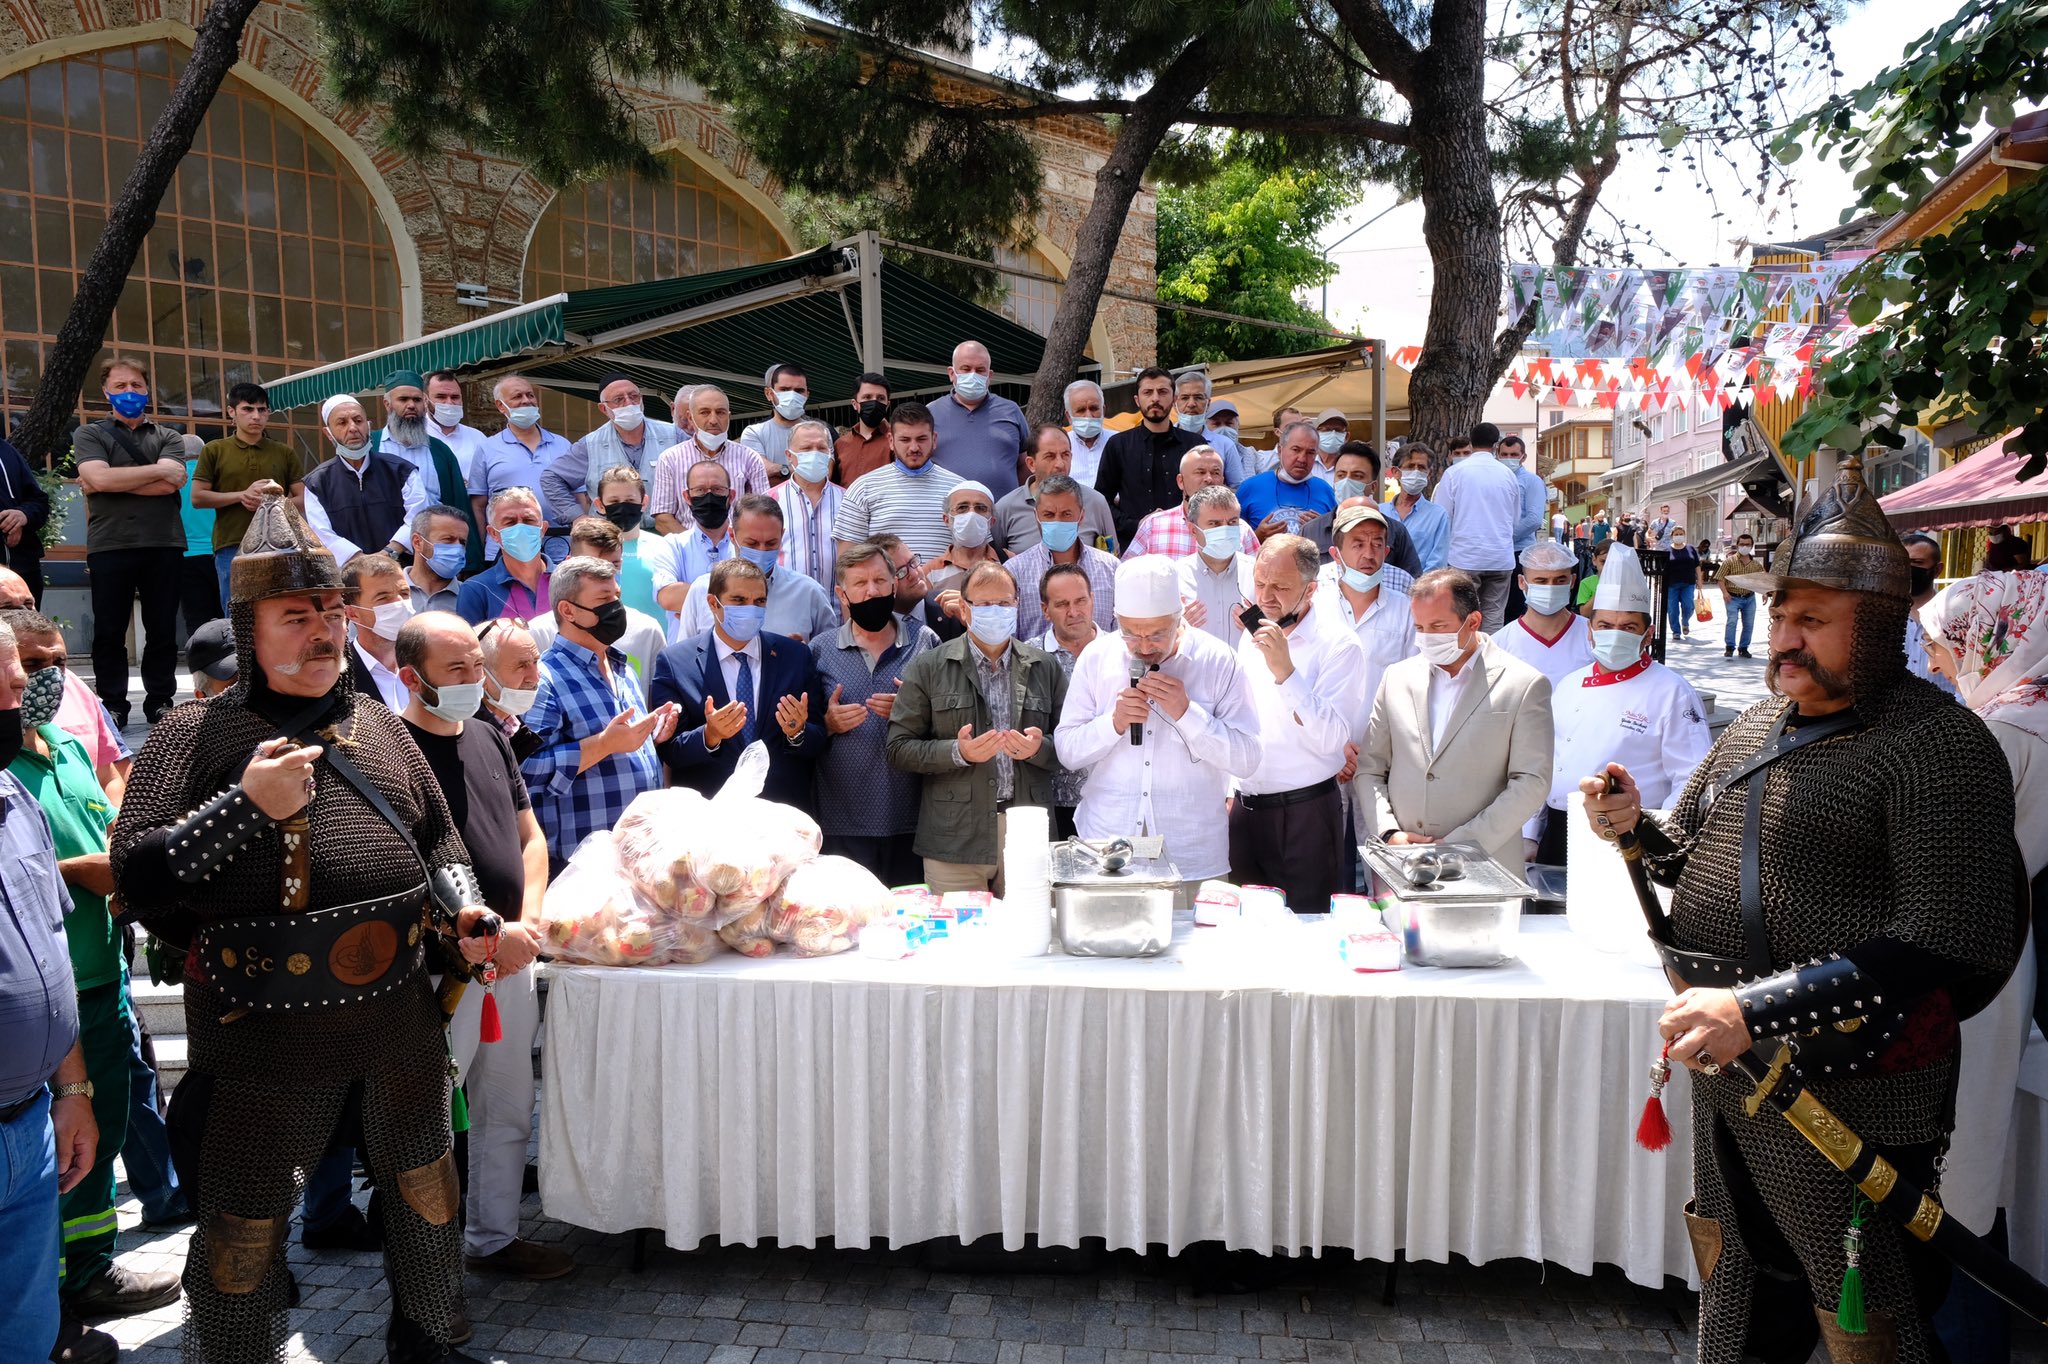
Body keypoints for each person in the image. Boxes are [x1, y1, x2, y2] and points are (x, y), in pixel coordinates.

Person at [1579, 458, 2024, 1362]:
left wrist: (1753, 1010)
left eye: (1811, 619)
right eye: (1780, 614)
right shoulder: (1756, 726)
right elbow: (1690, 859)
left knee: (1866, 1301)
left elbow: (1948, 937)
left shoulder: (1939, 747)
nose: (1783, 635)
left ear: (1877, 627)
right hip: (1731, 1071)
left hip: (1851, 1078)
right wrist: (1632, 830)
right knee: (1744, 1283)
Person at [107, 496, 497, 1364]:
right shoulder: (193, 734)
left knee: (425, 1188)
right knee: (244, 1224)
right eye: (297, 616)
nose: (322, 631)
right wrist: (245, 809)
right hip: (263, 1027)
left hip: (396, 1011)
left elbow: (437, 838)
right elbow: (138, 878)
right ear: (250, 627)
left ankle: (428, 1340)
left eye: (329, 612)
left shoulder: (379, 723)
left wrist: (464, 910)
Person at [2, 611, 181, 1332]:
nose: (45, 680)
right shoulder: (5, 769)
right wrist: (91, 871)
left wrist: (119, 857)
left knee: (95, 1131)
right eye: (28, 668)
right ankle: (59, 1283)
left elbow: (112, 818)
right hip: (58, 984)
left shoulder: (67, 749)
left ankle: (85, 1266)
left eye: (53, 663)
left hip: (98, 975)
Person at [394, 612, 569, 1283]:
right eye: (456, 670)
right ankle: (424, 1275)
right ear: (412, 678)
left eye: (476, 665)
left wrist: (526, 923)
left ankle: (493, 1239)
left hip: (512, 961)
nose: (474, 680)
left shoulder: (491, 738)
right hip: (443, 974)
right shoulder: (392, 751)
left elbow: (530, 839)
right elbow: (401, 864)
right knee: (428, 1122)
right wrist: (476, 936)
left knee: (506, 1103)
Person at [1915, 571, 2047, 1361]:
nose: (1934, 664)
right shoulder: (2031, 712)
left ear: (1985, 638)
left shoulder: (2003, 732)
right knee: (1973, 1162)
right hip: (2008, 944)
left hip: (1973, 958)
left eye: (1939, 645)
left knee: (1956, 1168)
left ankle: (1963, 1343)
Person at [0, 614, 114, 1364]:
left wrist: (72, 1090)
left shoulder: (17, 797)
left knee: (27, 1330)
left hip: (34, 1122)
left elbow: (47, 951)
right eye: (7, 674)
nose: (27, 686)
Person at [1053, 555, 1262, 888]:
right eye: (1132, 635)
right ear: (1117, 619)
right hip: (1106, 850)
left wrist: (1187, 713)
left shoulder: (1218, 660)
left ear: (1180, 617)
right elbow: (1067, 751)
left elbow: (1247, 758)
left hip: (1192, 857)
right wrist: (1114, 723)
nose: (1144, 647)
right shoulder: (1096, 657)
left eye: (1156, 635)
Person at [1354, 567, 1552, 875]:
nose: (1427, 638)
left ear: (1472, 621)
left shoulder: (1523, 684)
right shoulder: (1397, 677)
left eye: (1438, 626)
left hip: (1486, 867)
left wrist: (1460, 844)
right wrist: (1389, 832)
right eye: (1420, 627)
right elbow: (1370, 768)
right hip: (1401, 863)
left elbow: (1531, 782)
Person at [887, 563, 1065, 893]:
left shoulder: (1045, 666)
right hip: (955, 838)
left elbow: (1070, 745)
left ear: (1017, 605)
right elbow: (898, 748)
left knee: (1031, 938)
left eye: (1003, 603)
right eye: (983, 605)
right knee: (960, 941)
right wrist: (957, 752)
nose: (994, 612)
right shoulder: (930, 665)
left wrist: (1039, 748)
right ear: (965, 609)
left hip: (1027, 833)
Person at [1538, 543, 1708, 865]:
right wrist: (1531, 833)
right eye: (1605, 626)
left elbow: (1691, 779)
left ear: (1648, 635)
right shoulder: (1569, 685)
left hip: (1627, 837)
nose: (1615, 634)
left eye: (1629, 627)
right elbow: (1547, 759)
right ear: (1590, 631)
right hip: (1557, 831)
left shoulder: (1672, 691)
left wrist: (1659, 844)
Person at [1228, 536, 1368, 911]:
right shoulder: (1251, 636)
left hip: (1305, 814)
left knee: (1307, 933)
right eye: (1260, 584)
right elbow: (1240, 713)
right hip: (1245, 809)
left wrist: (1286, 672)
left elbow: (1333, 739)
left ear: (1311, 589)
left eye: (1280, 586)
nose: (1266, 596)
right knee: (1245, 932)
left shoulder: (1340, 645)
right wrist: (1230, 787)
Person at [520, 556, 680, 874]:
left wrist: (650, 734)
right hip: (581, 865)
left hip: (640, 855)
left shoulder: (621, 667)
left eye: (617, 597)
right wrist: (605, 743)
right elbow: (525, 769)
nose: (616, 609)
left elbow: (624, 745)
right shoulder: (544, 680)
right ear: (568, 611)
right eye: (604, 600)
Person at [810, 541, 940, 887]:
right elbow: (800, 735)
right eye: (860, 584)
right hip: (841, 824)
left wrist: (912, 715)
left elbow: (950, 724)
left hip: (914, 822)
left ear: (894, 584)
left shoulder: (925, 641)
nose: (872, 591)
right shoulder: (820, 650)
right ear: (842, 594)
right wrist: (828, 724)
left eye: (880, 581)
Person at [71, 356, 189, 727]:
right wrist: (155, 473)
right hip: (109, 544)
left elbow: (173, 483)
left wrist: (110, 478)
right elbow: (99, 479)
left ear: (147, 390)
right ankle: (113, 703)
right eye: (120, 386)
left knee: (163, 629)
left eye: (136, 385)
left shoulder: (168, 435)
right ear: (106, 392)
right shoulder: (89, 434)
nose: (129, 392)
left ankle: (160, 700)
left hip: (163, 543)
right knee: (109, 630)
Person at [651, 558, 824, 810]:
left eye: (759, 601)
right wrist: (709, 736)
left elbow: (819, 739)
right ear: (713, 603)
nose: (751, 609)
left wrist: (797, 732)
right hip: (709, 811)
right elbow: (668, 749)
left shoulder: (795, 657)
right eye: (739, 600)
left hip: (781, 813)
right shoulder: (676, 662)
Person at [2, 578, 130, 801]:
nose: (50, 675)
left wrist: (116, 833)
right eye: (7, 609)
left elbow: (111, 776)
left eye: (28, 605)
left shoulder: (67, 740)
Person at [667, 495, 838, 647]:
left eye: (771, 543)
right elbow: (685, 660)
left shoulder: (809, 593)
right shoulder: (702, 590)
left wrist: (802, 655)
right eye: (752, 543)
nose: (762, 551)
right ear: (732, 536)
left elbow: (829, 661)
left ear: (782, 535)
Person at [191, 382, 305, 610]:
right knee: (237, 615)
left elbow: (303, 499)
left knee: (281, 611)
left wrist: (272, 504)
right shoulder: (214, 449)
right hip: (232, 544)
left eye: (262, 410)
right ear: (231, 412)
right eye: (248, 409)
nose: (256, 416)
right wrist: (241, 496)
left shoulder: (284, 452)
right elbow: (198, 497)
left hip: (280, 545)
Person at [524, 517, 669, 681]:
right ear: (569, 564)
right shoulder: (540, 633)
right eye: (595, 565)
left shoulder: (648, 631)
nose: (607, 573)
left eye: (614, 565)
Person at [372, 370, 484, 576]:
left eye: (416, 399)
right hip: (383, 553)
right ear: (387, 404)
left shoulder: (440, 451)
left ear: (425, 403)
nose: (411, 406)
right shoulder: (371, 446)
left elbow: (459, 506)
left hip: (436, 556)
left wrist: (470, 563)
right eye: (403, 399)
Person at [302, 393, 425, 568]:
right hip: (351, 578)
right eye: (342, 423)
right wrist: (362, 562)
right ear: (328, 433)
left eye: (358, 421)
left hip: (403, 570)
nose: (352, 428)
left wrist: (388, 553)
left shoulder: (401, 471)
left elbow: (418, 518)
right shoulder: (317, 483)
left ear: (368, 426)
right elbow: (322, 534)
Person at [834, 402, 965, 563]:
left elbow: (976, 552)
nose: (914, 447)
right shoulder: (862, 489)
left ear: (934, 439)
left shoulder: (960, 490)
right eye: (905, 440)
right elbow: (847, 561)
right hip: (885, 588)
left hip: (948, 588)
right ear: (890, 440)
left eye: (921, 439)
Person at [467, 375, 576, 561]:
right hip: (507, 550)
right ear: (501, 406)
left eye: (530, 395)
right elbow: (478, 505)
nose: (526, 401)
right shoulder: (487, 448)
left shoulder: (562, 445)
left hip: (560, 547)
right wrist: (480, 550)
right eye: (517, 397)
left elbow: (579, 496)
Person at [543, 374, 679, 518]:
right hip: (610, 535)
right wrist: (577, 517)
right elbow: (551, 478)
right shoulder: (590, 445)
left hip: (664, 533)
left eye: (634, 396)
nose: (628, 403)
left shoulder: (674, 435)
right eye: (618, 399)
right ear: (603, 408)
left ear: (642, 399)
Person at [1034, 562, 1103, 839]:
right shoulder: (1029, 658)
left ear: (1093, 599)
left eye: (1080, 601)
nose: (1074, 612)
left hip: (1109, 801)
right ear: (1045, 610)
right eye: (1062, 604)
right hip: (1051, 803)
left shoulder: (1121, 651)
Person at [1431, 423, 1521, 633]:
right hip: (1500, 556)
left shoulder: (1455, 473)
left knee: (1464, 616)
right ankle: (1490, 662)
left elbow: (1442, 516)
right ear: (1496, 444)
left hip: (1465, 556)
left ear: (1471, 443)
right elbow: (1515, 520)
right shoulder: (1508, 475)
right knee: (1494, 617)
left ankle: (1465, 660)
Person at [1097, 368, 1203, 544]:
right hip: (1134, 545)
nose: (1155, 398)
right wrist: (1136, 525)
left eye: (1162, 392)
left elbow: (1207, 495)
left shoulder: (1194, 445)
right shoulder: (1118, 445)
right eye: (1148, 392)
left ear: (1174, 399)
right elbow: (1102, 501)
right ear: (1137, 400)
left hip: (1186, 541)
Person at [1007, 476, 1119, 641]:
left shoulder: (1111, 569)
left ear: (1081, 516)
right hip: (1036, 666)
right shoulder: (1014, 572)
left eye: (1066, 514)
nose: (1057, 521)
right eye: (1049, 514)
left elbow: (1121, 636)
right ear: (1036, 515)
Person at [649, 385, 771, 533]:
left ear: (728, 416)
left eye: (720, 412)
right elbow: (663, 518)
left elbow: (763, 511)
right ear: (690, 418)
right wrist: (696, 548)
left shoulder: (750, 457)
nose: (713, 420)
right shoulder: (670, 459)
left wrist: (734, 548)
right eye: (704, 412)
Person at [992, 424, 1119, 554]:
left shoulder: (1095, 502)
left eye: (1065, 455)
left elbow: (1112, 557)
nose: (1060, 464)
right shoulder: (1006, 508)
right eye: (1050, 456)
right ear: (1031, 463)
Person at [929, 340, 1029, 497]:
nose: (973, 375)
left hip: (1003, 515)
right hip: (947, 517)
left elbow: (1024, 463)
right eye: (966, 369)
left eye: (980, 370)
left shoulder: (1011, 411)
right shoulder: (931, 414)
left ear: (990, 376)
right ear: (951, 373)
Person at [1123, 447, 1260, 561]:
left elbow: (1257, 579)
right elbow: (1127, 575)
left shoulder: (1241, 530)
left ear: (1223, 480)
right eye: (1200, 472)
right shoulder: (1154, 526)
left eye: (1215, 473)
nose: (1208, 479)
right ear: (1180, 481)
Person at [651, 459, 739, 632]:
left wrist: (693, 609)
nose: (709, 496)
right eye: (699, 490)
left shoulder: (744, 545)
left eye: (717, 489)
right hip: (684, 654)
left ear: (731, 495)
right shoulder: (672, 545)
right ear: (687, 497)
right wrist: (735, 600)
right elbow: (668, 596)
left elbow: (757, 596)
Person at [1493, 540, 1593, 685]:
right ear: (1522, 582)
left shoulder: (1592, 636)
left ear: (1572, 581)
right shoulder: (1500, 644)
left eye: (1560, 580)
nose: (1551, 588)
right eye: (1541, 581)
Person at [455, 487, 552, 625]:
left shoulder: (568, 580)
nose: (520, 528)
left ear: (543, 529)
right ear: (493, 533)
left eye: (528, 520)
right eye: (510, 522)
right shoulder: (476, 590)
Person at [1176, 485, 1257, 646]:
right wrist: (1176, 628)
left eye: (1232, 522)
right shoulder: (1175, 577)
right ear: (1193, 530)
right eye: (1215, 524)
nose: (1225, 530)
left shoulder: (1258, 574)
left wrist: (1258, 626)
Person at [1236, 422, 1337, 544]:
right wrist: (1257, 536)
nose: (1302, 459)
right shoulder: (1250, 488)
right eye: (1296, 450)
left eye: (1310, 452)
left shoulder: (1326, 491)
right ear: (1280, 450)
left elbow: (1338, 544)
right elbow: (1234, 544)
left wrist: (1322, 532)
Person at [773, 420, 844, 591]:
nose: (815, 454)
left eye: (821, 448)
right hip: (788, 610)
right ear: (789, 455)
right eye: (806, 449)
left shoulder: (848, 499)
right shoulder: (770, 501)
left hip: (838, 610)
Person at [341, 552, 415, 711]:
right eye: (383, 598)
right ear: (352, 613)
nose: (400, 603)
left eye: (404, 594)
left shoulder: (427, 664)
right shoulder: (340, 679)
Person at [1900, 532, 1959, 697]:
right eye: (1902, 563)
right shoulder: (1883, 617)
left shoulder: (1955, 615)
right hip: (1896, 714)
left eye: (1917, 563)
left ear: (1937, 570)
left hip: (1949, 713)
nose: (1908, 570)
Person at [1497, 434, 1547, 621]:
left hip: (1519, 551)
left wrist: (1505, 537)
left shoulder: (1531, 481)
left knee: (1514, 606)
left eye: (1514, 454)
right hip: (1496, 552)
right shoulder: (1496, 479)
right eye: (1504, 454)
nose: (1509, 458)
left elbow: (1534, 519)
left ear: (1523, 457)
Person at [478, 617, 544, 760]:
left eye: (535, 662)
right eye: (521, 666)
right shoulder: (469, 740)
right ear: (481, 675)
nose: (535, 677)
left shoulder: (514, 729)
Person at [738, 362, 813, 481]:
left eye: (799, 391)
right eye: (784, 390)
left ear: (807, 395)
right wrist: (805, 472)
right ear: (769, 394)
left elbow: (825, 474)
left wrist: (779, 471)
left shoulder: (820, 431)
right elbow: (761, 472)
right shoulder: (754, 432)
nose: (792, 396)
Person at [1383, 442, 1450, 573]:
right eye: (1410, 467)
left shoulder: (1438, 515)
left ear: (1429, 474)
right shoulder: (1379, 512)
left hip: (1420, 588)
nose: (1416, 472)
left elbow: (1437, 563)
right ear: (1396, 472)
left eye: (1421, 467)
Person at [0, 431, 51, 604]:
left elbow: (40, 501)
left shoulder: (7, 451)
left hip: (23, 570)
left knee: (29, 630)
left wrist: (23, 515)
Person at [422, 371, 490, 494]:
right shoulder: (417, 436)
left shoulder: (477, 437)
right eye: (441, 397)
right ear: (425, 400)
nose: (449, 402)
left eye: (455, 397)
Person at [406, 504, 471, 616]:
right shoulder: (388, 592)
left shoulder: (470, 596)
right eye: (448, 539)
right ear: (417, 542)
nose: (458, 548)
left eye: (462, 543)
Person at [834, 373, 894, 488]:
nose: (874, 402)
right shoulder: (840, 445)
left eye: (881, 398)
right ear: (855, 404)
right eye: (867, 397)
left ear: (887, 405)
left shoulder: (898, 440)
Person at [1716, 531, 1764, 658]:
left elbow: (1763, 578)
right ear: (1737, 545)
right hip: (1733, 597)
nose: (1744, 547)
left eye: (1747, 544)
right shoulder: (1729, 562)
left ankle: (1744, 648)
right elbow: (1720, 578)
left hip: (1749, 597)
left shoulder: (1755, 564)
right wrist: (1725, 593)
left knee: (1749, 623)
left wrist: (1765, 592)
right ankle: (1730, 647)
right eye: (1742, 544)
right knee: (1732, 621)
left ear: (1751, 546)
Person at [1062, 379, 1112, 489]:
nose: (1088, 415)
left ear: (1103, 410)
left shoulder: (1120, 442)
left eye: (1094, 408)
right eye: (1081, 410)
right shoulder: (1060, 447)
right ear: (1069, 416)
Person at [1201, 398, 1255, 486]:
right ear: (1205, 425)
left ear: (1238, 424)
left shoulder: (1249, 454)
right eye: (1216, 424)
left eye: (1229, 423)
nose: (1224, 429)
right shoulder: (1199, 452)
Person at [1665, 528, 1703, 640]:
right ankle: (1676, 631)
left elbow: (1697, 565)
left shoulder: (1690, 549)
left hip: (1688, 583)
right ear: (1672, 535)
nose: (1679, 536)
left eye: (1681, 534)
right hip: (1672, 584)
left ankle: (1685, 621)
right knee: (1672, 609)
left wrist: (1699, 580)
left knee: (1689, 606)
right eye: (1676, 534)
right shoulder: (1667, 550)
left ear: (1684, 535)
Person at [1308, 408, 1351, 483]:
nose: (1333, 434)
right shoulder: (1305, 462)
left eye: (1338, 430)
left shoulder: (1352, 465)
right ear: (1315, 434)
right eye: (1326, 429)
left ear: (1346, 437)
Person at [1577, 538, 1611, 617]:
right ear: (1594, 560)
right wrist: (1602, 589)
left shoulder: (1625, 583)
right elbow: (1584, 613)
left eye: (1613, 563)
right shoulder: (1586, 583)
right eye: (1603, 562)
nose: (1607, 567)